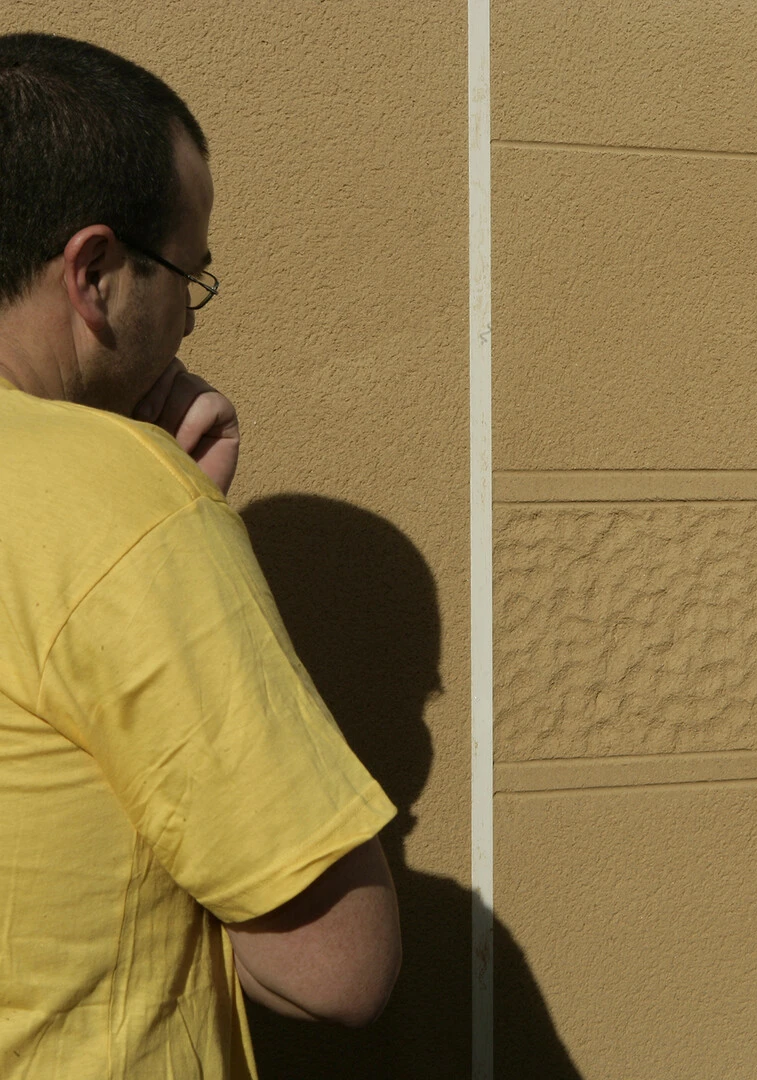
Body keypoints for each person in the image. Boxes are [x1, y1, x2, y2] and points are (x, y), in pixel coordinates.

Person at [0, 33, 400, 1077]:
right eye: (189, 271)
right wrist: (159, 517)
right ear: (94, 273)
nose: (188, 312)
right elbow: (333, 968)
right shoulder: (120, 502)